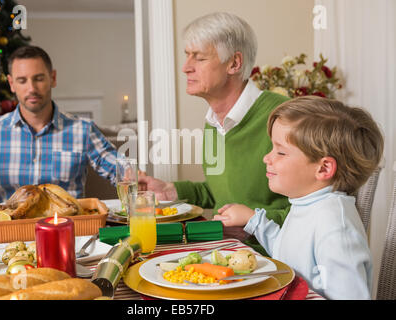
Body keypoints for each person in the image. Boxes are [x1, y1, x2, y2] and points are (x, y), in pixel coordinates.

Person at [138, 12, 290, 255]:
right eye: (187, 56)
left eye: (198, 58)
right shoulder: (213, 121)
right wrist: (169, 190)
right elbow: (220, 192)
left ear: (234, 63)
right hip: (222, 250)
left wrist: (252, 222)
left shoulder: (284, 117)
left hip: (269, 257)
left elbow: (311, 209)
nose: (185, 67)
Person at [213, 96, 384, 299]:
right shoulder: (307, 203)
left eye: (281, 152)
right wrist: (254, 220)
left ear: (323, 168)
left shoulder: (335, 225)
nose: (266, 158)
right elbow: (286, 251)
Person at [0, 46, 118, 204]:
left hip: (69, 233)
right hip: (6, 234)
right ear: (12, 84)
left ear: (53, 78)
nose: (31, 88)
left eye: (39, 78)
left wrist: (134, 177)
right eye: (22, 80)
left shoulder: (83, 129)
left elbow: (118, 167)